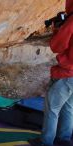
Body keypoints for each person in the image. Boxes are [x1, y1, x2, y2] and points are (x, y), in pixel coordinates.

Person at [29, 1, 73, 146]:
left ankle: (45, 142)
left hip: (67, 73)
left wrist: (57, 30)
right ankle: (64, 139)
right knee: (68, 107)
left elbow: (57, 46)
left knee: (52, 109)